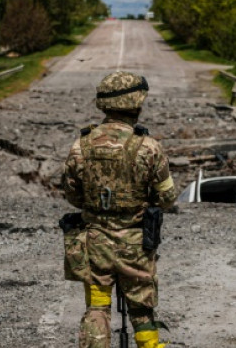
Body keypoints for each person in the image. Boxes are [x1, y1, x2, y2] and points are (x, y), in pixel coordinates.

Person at [62, 71, 177, 348]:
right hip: (135, 246)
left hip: (95, 244)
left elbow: (72, 196)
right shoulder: (149, 147)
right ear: (137, 103)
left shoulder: (81, 145)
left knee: (97, 308)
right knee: (142, 311)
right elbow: (168, 197)